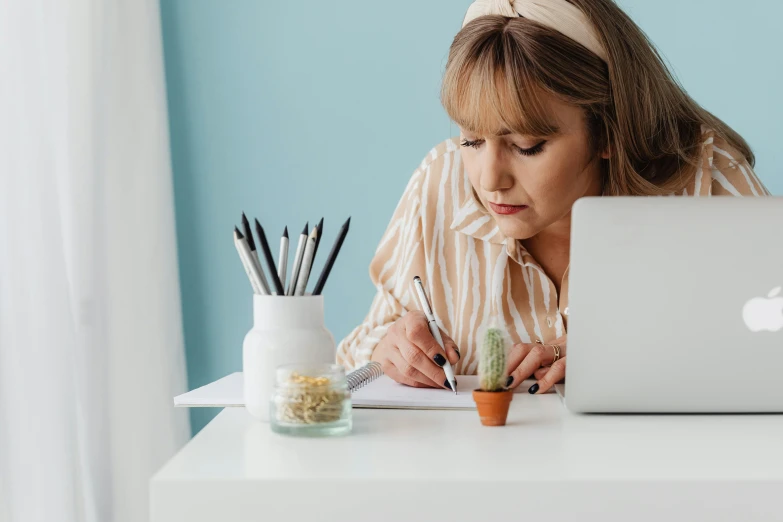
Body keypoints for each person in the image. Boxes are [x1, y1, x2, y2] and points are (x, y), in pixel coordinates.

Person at [336, 0, 770, 394]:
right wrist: (390, 349)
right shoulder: (439, 182)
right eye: (470, 140)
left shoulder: (706, 183)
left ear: (607, 131)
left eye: (527, 146)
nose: (490, 180)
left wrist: (637, 356)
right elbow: (359, 351)